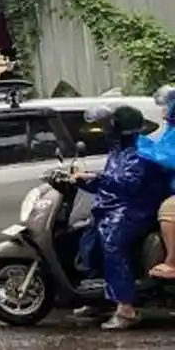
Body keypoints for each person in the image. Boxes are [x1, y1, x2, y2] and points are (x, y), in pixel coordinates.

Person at [73, 104, 170, 329]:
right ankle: (99, 299)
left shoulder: (142, 153)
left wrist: (94, 178)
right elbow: (109, 183)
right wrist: (82, 181)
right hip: (114, 206)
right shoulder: (119, 150)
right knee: (88, 240)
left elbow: (127, 185)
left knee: (112, 242)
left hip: (136, 209)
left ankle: (126, 308)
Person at [144, 85, 175, 280]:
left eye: (166, 105)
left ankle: (172, 262)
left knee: (168, 208)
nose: (163, 110)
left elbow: (168, 156)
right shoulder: (170, 129)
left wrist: (145, 150)